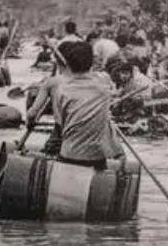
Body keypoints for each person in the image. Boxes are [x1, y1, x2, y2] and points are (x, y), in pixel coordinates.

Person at [48, 40, 124, 170]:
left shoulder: (61, 90)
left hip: (68, 156)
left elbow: (60, 124)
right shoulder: (103, 88)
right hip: (95, 159)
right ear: (92, 63)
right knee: (118, 150)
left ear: (68, 65)